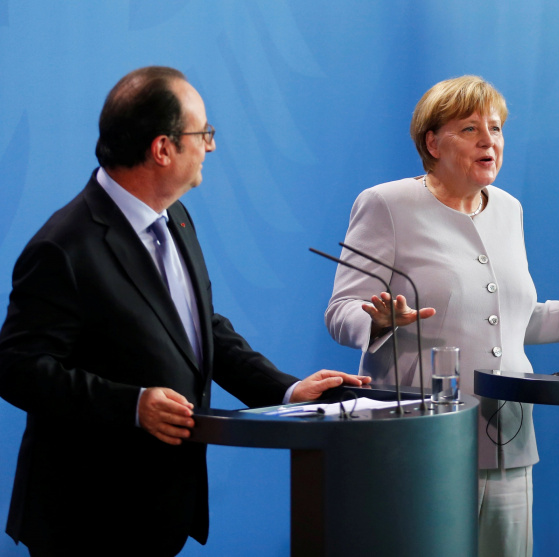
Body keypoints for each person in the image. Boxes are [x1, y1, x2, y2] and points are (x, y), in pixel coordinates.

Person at [0, 66, 369, 556]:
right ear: (163, 149)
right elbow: (18, 369)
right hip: (87, 515)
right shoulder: (64, 245)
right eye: (203, 133)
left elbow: (199, 328)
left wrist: (284, 390)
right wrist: (132, 406)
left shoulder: (174, 216)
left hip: (158, 508)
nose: (211, 146)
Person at [325, 75, 559, 557]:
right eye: (470, 129)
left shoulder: (508, 209)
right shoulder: (387, 205)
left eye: (496, 128)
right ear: (432, 143)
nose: (489, 140)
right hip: (420, 434)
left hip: (508, 433)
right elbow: (340, 312)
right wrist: (379, 321)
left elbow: (513, 320)